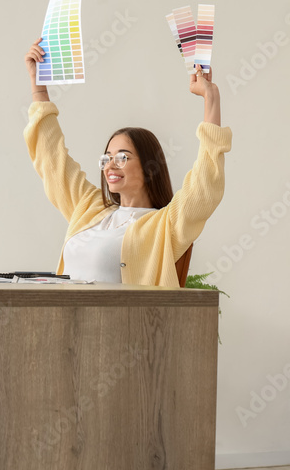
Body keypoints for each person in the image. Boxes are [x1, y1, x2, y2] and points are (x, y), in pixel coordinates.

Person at [23, 37, 232, 285]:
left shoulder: (165, 226)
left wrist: (211, 99)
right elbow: (52, 161)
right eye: (107, 158)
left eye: (122, 157)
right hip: (66, 319)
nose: (110, 166)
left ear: (149, 167)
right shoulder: (90, 208)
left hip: (123, 322)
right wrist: (39, 90)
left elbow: (204, 186)